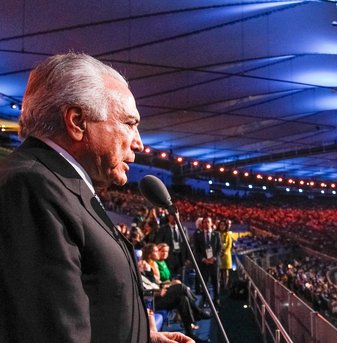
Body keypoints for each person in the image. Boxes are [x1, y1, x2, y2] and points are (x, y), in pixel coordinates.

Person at [0, 53, 193, 343]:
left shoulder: (60, 184)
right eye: (129, 123)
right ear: (77, 121)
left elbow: (89, 304)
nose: (139, 142)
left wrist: (143, 337)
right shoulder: (30, 187)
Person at [192, 217, 221, 306]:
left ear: (211, 223)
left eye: (208, 222)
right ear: (202, 224)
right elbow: (196, 250)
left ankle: (216, 300)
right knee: (204, 283)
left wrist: (214, 258)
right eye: (204, 222)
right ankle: (205, 300)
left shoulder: (216, 234)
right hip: (203, 263)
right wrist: (204, 259)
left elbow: (219, 249)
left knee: (215, 282)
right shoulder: (197, 235)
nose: (206, 224)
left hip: (214, 263)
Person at [217, 219, 234, 291]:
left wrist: (224, 252)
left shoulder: (228, 234)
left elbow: (229, 245)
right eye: (221, 225)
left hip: (226, 256)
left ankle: (225, 286)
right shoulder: (216, 233)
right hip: (218, 254)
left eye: (224, 225)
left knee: (226, 271)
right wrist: (219, 252)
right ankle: (219, 285)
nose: (222, 226)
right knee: (219, 271)